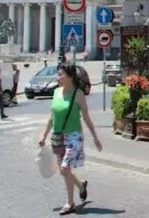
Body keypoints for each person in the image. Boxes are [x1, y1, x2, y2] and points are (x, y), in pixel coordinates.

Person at [38, 64, 103, 215]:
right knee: (64, 171)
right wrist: (44, 134)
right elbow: (52, 117)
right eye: (58, 74)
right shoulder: (56, 92)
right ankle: (81, 185)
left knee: (65, 168)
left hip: (74, 136)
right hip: (58, 136)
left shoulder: (78, 94)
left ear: (70, 77)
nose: (58, 77)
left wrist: (95, 138)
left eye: (61, 75)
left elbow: (86, 117)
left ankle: (70, 203)